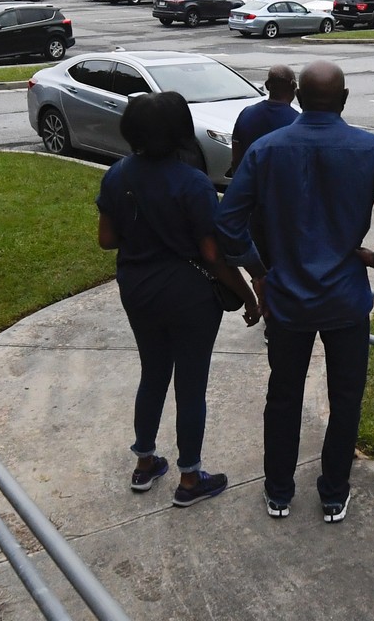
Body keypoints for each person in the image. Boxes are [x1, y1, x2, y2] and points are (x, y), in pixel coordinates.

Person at [217, 61, 374, 523]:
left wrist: (260, 272)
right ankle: (333, 492)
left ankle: (278, 490)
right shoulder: (370, 149)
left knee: (283, 395)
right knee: (346, 396)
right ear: (346, 99)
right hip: (346, 298)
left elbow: (228, 221)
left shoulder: (267, 149)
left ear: (298, 97)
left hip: (288, 298)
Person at [96, 92, 261, 508]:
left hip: (137, 290)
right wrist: (249, 296)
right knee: (191, 385)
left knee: (152, 373)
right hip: (189, 295)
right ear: (179, 131)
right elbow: (211, 255)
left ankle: (145, 462)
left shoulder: (116, 175)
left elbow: (106, 239)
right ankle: (190, 478)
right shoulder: (194, 183)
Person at [229, 64, 299, 176]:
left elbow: (236, 159)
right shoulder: (297, 121)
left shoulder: (245, 114)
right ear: (293, 86)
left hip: (250, 184)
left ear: (267, 85)